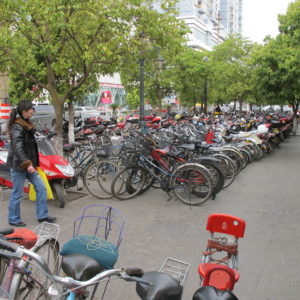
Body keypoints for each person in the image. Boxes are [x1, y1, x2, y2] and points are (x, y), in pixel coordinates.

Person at [6, 100, 56, 227]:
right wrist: (28, 164)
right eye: (31, 109)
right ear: (24, 112)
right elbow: (18, 148)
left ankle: (42, 216)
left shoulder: (26, 124)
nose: (33, 111)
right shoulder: (17, 127)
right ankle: (13, 219)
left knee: (41, 188)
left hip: (29, 165)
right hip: (20, 165)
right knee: (17, 193)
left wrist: (31, 164)